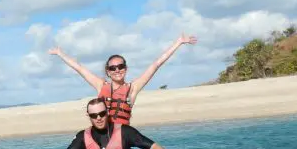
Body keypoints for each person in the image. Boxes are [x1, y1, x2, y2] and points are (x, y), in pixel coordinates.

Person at [48, 33, 198, 125]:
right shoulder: (101, 85)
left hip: (123, 136)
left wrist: (178, 43)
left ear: (126, 68)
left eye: (120, 66)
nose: (117, 70)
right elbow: (79, 68)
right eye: (113, 68)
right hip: (103, 135)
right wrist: (60, 54)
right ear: (108, 72)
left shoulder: (133, 88)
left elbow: (156, 64)